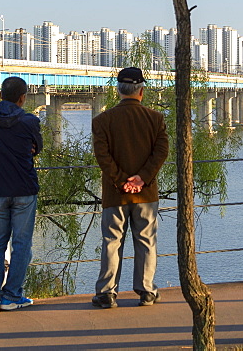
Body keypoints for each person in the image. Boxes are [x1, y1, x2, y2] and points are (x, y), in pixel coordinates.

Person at [91, 66, 169, 309]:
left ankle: (106, 293)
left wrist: (121, 180)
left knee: (112, 241)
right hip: (145, 193)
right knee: (146, 240)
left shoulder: (102, 121)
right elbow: (161, 151)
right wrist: (141, 179)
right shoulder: (155, 119)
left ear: (118, 90)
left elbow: (102, 156)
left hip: (115, 193)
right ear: (141, 91)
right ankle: (146, 291)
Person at [0, 75, 43, 313]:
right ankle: (12, 296)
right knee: (21, 244)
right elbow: (37, 148)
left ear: (0, 95)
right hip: (23, 189)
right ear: (23, 98)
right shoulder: (29, 121)